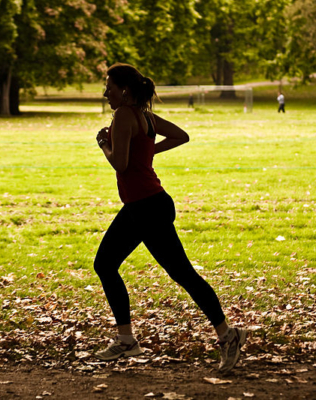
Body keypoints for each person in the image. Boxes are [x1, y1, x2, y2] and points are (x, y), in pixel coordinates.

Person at [94, 63, 247, 373]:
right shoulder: (145, 117)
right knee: (110, 264)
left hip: (146, 208)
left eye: (109, 87)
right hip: (148, 204)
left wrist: (104, 144)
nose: (105, 93)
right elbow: (181, 135)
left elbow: (121, 165)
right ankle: (126, 340)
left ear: (124, 90)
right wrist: (147, 154)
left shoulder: (124, 115)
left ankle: (228, 336)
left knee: (180, 273)